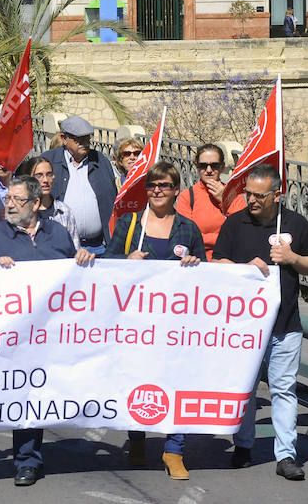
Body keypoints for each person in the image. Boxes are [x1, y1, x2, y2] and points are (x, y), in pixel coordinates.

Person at [0, 175, 84, 487]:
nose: (8, 205)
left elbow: (72, 277)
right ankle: (27, 460)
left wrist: (82, 260)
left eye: (17, 200)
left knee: (56, 389)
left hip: (54, 334)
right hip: (15, 337)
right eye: (7, 199)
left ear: (35, 204)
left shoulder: (58, 233)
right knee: (24, 394)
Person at [213, 163, 308, 480]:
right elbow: (219, 261)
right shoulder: (235, 223)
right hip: (244, 327)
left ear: (277, 194)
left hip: (284, 326)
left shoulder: (296, 224)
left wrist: (292, 259)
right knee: (245, 388)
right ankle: (243, 446)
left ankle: (286, 455)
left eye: (259, 195)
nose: (252, 200)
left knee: (284, 390)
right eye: (249, 194)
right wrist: (245, 267)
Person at [105, 161, 204, 480]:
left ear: (176, 190)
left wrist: (195, 263)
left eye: (164, 185)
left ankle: (174, 451)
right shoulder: (130, 224)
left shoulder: (188, 229)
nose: (157, 191)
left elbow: (205, 275)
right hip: (136, 323)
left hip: (175, 325)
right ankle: (137, 438)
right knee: (138, 380)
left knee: (177, 383)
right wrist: (125, 259)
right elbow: (107, 265)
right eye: (152, 186)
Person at [41, 115, 117, 254]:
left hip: (98, 247)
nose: (84, 143)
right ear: (64, 139)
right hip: (60, 247)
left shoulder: (100, 161)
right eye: (78, 139)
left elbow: (112, 199)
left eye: (87, 138)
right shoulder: (48, 161)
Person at [175, 143, 246, 261]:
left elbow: (242, 228)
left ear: (222, 167)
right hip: (198, 261)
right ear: (197, 167)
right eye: (203, 166)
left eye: (214, 165)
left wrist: (224, 200)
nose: (208, 170)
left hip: (227, 261)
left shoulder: (235, 195)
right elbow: (185, 235)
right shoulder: (187, 196)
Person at [22, 156, 80, 249]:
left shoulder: (64, 211)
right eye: (39, 175)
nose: (45, 180)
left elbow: (75, 248)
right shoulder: (21, 211)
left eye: (49, 174)